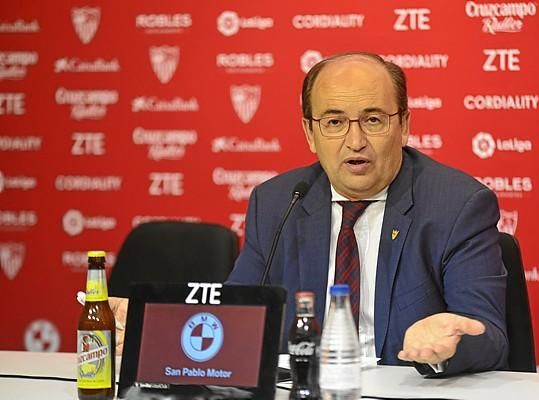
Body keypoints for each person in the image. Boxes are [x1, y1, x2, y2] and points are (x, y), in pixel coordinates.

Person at [110, 51, 508, 376]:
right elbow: (236, 318)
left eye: (373, 120)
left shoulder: (457, 205)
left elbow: (490, 337)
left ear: (403, 126)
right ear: (310, 133)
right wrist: (155, 328)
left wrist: (451, 340)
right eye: (334, 122)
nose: (355, 140)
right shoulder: (278, 203)